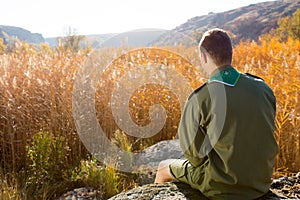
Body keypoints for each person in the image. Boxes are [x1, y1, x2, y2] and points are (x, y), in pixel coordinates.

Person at [154, 28, 279, 199]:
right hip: (260, 183)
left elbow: (195, 158)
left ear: (204, 57)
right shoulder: (263, 88)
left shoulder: (200, 98)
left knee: (163, 167)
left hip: (221, 187)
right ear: (230, 53)